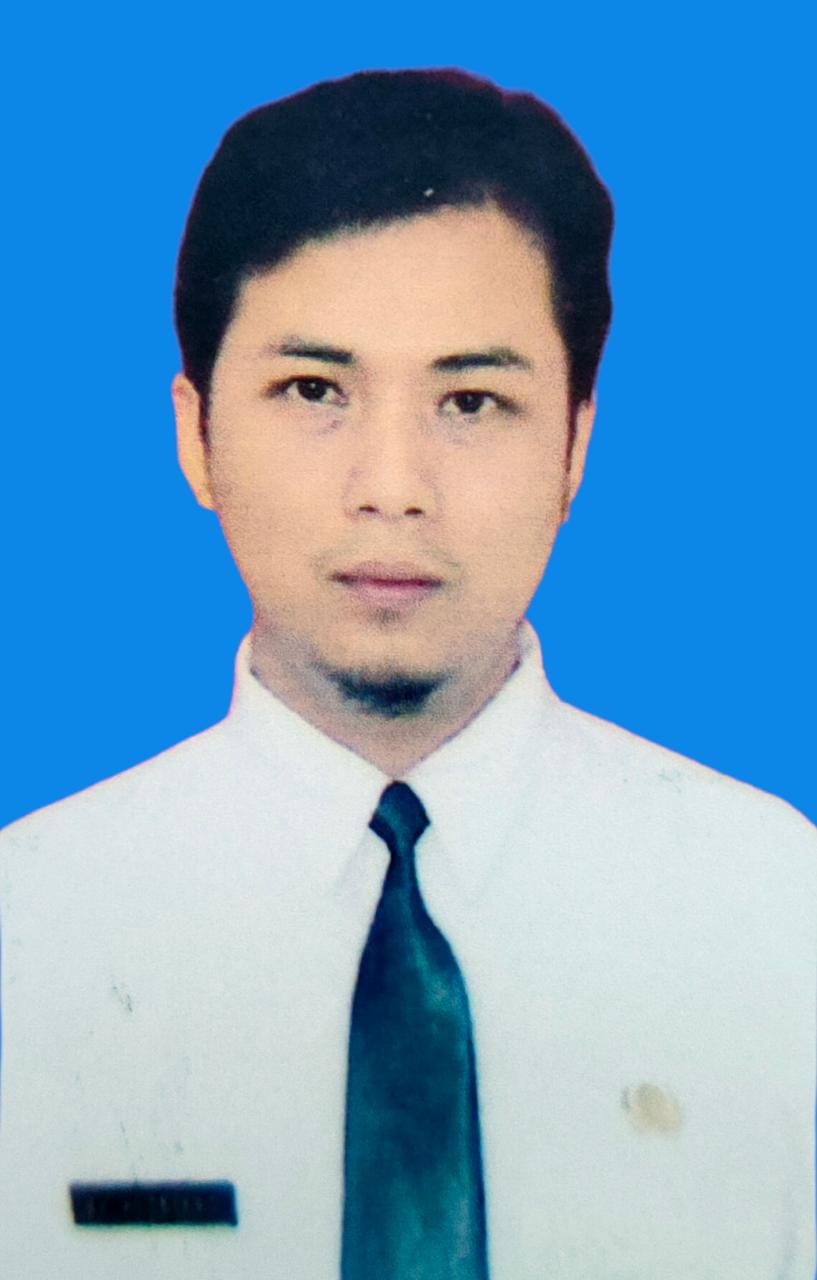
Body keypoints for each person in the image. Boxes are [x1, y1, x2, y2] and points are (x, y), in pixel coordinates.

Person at [0, 68, 814, 1280]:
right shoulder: (29, 931)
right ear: (195, 434)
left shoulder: (777, 914)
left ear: (575, 443)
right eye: (313, 390)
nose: (392, 485)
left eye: (472, 400)